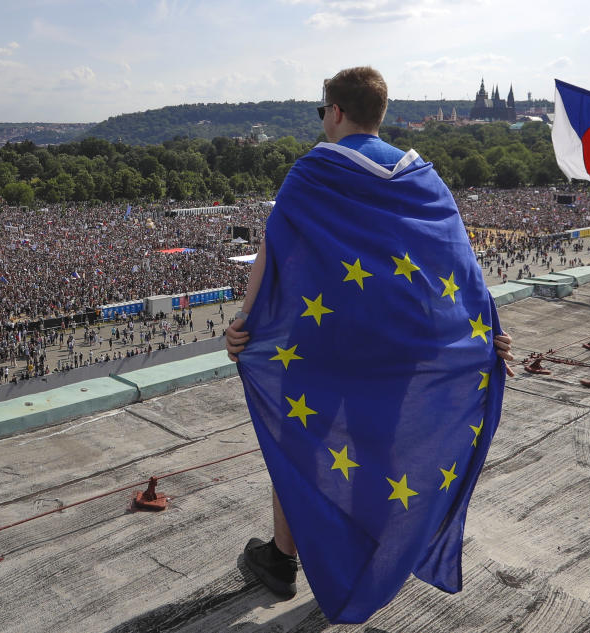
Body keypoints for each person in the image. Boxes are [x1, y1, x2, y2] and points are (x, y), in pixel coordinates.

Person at [225, 67, 513, 622]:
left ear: (334, 112)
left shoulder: (313, 171)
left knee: (300, 444)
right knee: (378, 446)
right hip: (400, 352)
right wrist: (488, 330)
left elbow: (273, 246)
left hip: (325, 347)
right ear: (379, 114)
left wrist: (243, 321)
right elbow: (458, 262)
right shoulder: (425, 176)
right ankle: (370, 553)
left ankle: (283, 559)